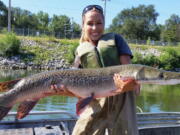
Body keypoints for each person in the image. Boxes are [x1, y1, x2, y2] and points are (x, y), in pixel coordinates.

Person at [71, 4, 140, 135]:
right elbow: (75, 79)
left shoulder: (117, 40)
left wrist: (129, 84)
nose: (94, 28)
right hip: (95, 100)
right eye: (90, 23)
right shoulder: (80, 50)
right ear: (83, 25)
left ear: (104, 23)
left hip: (122, 99)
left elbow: (130, 72)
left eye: (99, 23)